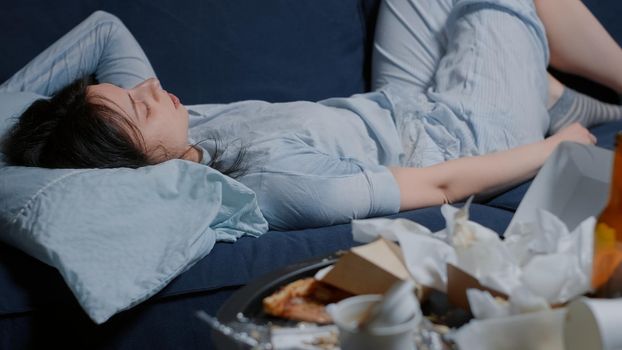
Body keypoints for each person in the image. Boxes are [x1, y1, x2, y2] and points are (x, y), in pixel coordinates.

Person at [1, 0, 621, 230]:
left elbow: (104, 30)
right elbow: (442, 185)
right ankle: (550, 107)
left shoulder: (188, 133)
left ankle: (542, 91)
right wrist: (559, 147)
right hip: (465, 141)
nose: (150, 84)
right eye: (137, 102)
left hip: (403, 107)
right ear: (134, 166)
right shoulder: (278, 185)